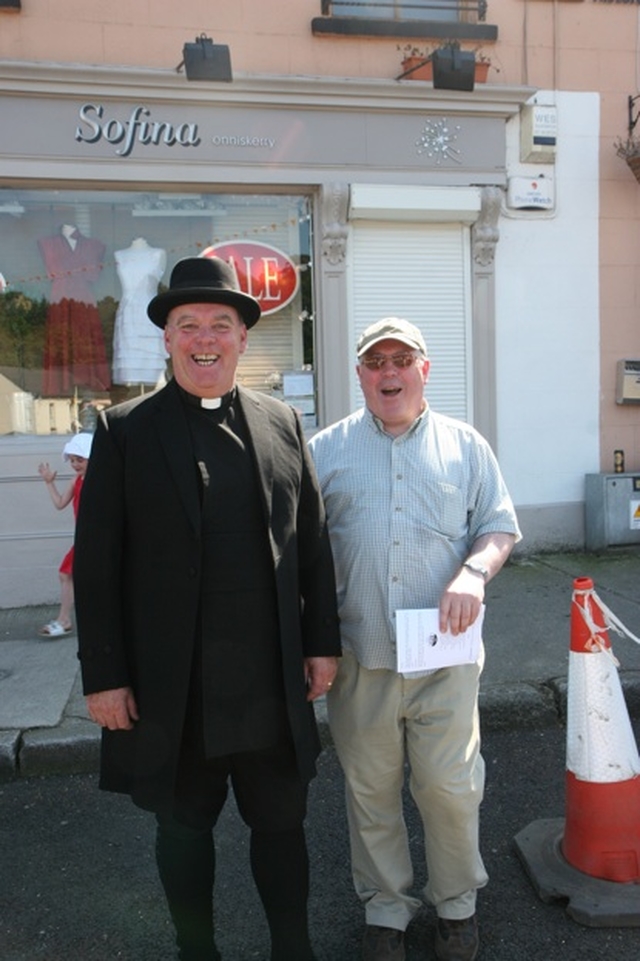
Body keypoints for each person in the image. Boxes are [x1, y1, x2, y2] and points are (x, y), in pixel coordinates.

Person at [73, 256, 341, 961]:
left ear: (243, 339)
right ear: (166, 338)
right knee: (183, 829)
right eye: (187, 324)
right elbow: (96, 567)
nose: (204, 337)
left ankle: (294, 948)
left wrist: (322, 644)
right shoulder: (124, 430)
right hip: (176, 686)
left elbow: (311, 545)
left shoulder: (283, 422)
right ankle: (198, 952)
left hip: (268, 683)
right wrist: (103, 676)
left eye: (220, 323)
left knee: (281, 825)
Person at [309, 318, 521, 961]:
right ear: (360, 375)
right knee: (370, 789)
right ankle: (386, 910)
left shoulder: (466, 445)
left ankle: (457, 906)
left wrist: (474, 573)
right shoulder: (325, 450)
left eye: (402, 359)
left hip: (444, 657)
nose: (389, 372)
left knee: (450, 788)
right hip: (361, 656)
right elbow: (301, 553)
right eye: (376, 362)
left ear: (425, 369)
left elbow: (498, 527)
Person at [37, 431, 93, 638]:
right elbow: (60, 503)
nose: (75, 464)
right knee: (66, 574)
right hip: (84, 539)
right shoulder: (76, 481)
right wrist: (49, 482)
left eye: (80, 459)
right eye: (72, 460)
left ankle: (65, 620)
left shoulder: (100, 482)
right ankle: (64, 619)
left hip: (94, 539)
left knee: (69, 575)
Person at [112, 237, 168, 386]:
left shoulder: (158, 254)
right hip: (128, 311)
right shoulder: (119, 255)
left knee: (151, 356)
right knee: (130, 355)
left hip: (150, 310)